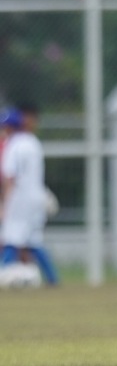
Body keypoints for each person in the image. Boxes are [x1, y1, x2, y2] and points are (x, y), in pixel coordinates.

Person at [0, 102, 60, 286]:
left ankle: (3, 273)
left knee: (12, 238)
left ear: (10, 127)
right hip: (37, 198)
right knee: (34, 241)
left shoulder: (13, 145)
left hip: (20, 199)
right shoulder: (33, 142)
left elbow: (10, 177)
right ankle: (53, 279)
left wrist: (5, 205)